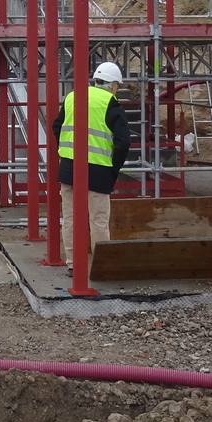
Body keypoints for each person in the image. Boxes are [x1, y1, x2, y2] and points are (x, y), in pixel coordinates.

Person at [52, 61, 131, 269]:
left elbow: (56, 126)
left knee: (70, 218)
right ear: (113, 85)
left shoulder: (72, 97)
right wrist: (114, 169)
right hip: (98, 171)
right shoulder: (111, 104)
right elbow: (123, 143)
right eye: (117, 86)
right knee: (98, 220)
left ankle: (72, 263)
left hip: (69, 169)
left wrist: (67, 153)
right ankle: (100, 265)